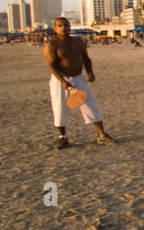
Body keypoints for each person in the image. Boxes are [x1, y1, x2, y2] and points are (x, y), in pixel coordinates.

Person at [44, 16, 114, 148]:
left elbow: (86, 58)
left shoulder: (78, 41)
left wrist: (90, 72)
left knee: (90, 103)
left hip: (78, 77)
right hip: (60, 79)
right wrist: (63, 81)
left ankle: (101, 135)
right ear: (55, 28)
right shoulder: (52, 44)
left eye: (66, 25)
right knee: (59, 107)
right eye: (60, 25)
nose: (64, 28)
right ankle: (62, 137)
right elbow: (51, 66)